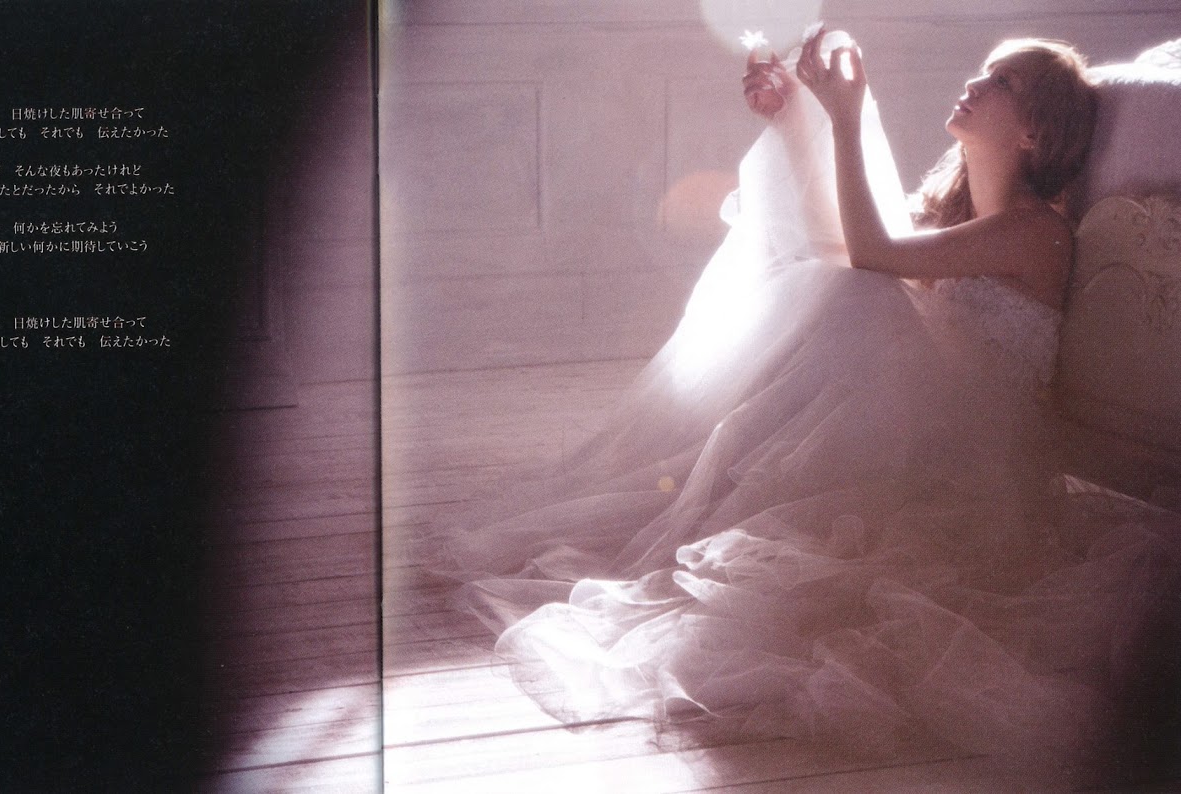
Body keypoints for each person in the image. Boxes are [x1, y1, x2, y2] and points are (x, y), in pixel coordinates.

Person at [417, 27, 1180, 773]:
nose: (975, 83)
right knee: (837, 287)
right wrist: (797, 119)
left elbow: (871, 255)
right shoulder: (957, 218)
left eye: (1001, 82)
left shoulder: (1036, 233)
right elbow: (841, 244)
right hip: (922, 438)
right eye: (984, 70)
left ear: (1033, 132)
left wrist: (845, 116)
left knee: (857, 295)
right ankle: (720, 492)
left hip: (981, 468)